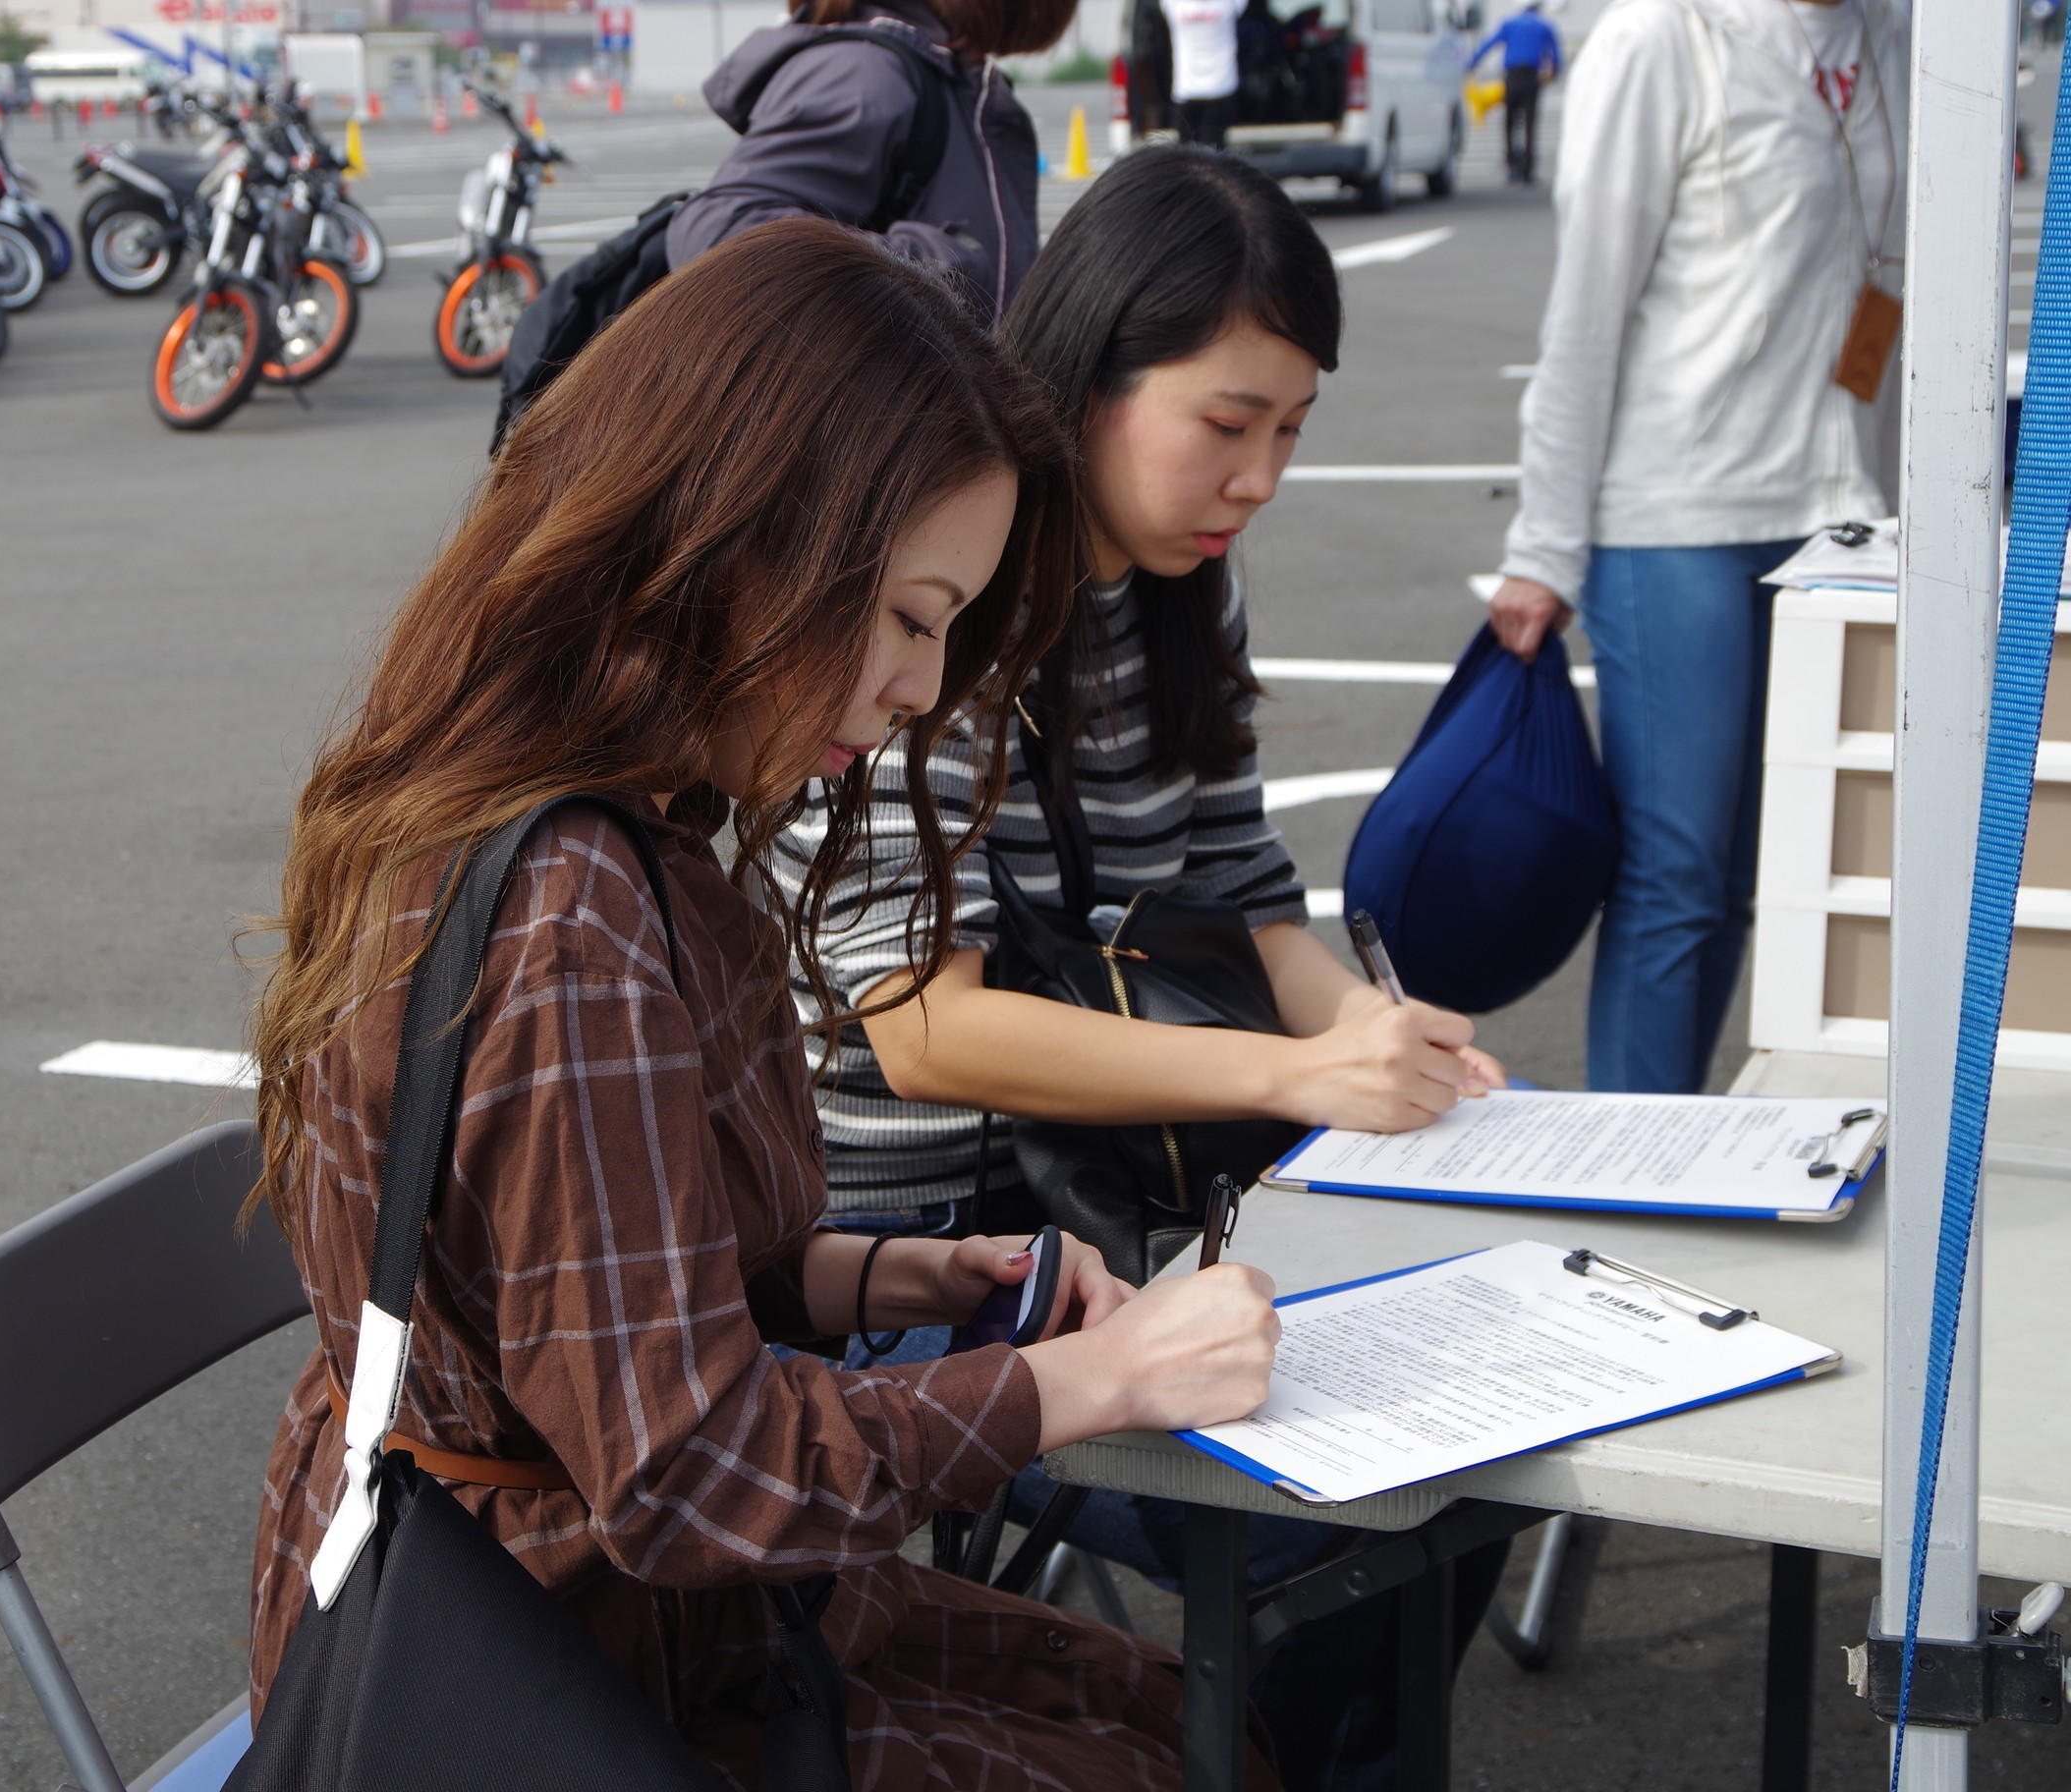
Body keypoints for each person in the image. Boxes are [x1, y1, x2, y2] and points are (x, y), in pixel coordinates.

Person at [245, 219, 1285, 1791]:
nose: (919, 691)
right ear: (743, 542)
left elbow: (579, 1292)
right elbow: (681, 1472)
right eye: (912, 617)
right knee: (1188, 1746)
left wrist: (894, 1278)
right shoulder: (572, 913)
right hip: (554, 1672)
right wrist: (1101, 1382)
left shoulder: (535, 794)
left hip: (527, 1584)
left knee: (1175, 1717)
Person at [770, 145, 1508, 1789]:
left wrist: (1381, 1037)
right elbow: (920, 1030)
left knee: (1470, 1461)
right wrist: (1291, 1072)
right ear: (1085, 378)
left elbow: (1241, 890)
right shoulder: (931, 600)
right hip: (896, 1244)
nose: (1255, 476)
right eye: (1223, 424)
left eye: (1291, 432)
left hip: (1102, 1204)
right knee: (1361, 1519)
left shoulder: (1178, 594)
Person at [1487, 0, 1905, 1095]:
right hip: (1674, 509)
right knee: (1675, 874)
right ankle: (1635, 1173)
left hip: (1833, 512)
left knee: (1751, 879)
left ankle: (1675, 1134)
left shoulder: (1890, 35)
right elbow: (1585, 311)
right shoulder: (1661, 37)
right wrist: (1545, 543)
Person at [668, 0, 1072, 321]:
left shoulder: (944, 74)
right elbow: (715, 231)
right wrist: (937, 269)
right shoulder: (869, 73)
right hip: (888, 418)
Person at [1468, 1, 1561, 183]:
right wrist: (1555, 71)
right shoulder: (1544, 26)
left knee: (1510, 121)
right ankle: (1528, 169)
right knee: (1530, 122)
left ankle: (1512, 165)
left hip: (1512, 77)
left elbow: (1489, 44)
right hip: (1533, 77)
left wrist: (1471, 64)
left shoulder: (1509, 24)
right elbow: (1554, 54)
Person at [1165, 0, 1248, 145]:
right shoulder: (1228, 3)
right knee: (1194, 156)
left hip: (1215, 90)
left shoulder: (1176, 4)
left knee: (1197, 157)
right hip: (1196, 90)